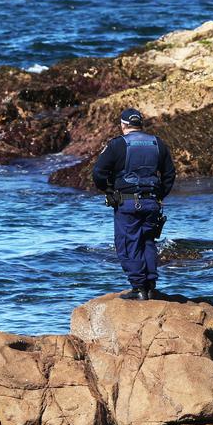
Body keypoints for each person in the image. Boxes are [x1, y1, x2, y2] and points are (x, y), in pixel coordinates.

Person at [92, 108, 175, 300]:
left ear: (123, 125)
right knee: (147, 241)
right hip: (152, 203)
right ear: (140, 124)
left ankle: (138, 288)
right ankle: (150, 286)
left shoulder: (116, 145)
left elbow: (98, 173)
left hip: (127, 205)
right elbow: (170, 174)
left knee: (128, 244)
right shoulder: (157, 143)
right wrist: (160, 195)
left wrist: (108, 191)